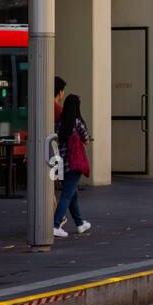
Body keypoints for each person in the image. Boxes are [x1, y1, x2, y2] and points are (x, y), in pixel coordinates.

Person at [53, 95, 93, 238]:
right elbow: (86, 139)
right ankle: (55, 224)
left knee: (72, 193)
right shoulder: (77, 122)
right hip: (74, 164)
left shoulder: (58, 124)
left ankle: (79, 223)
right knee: (67, 195)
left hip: (61, 164)